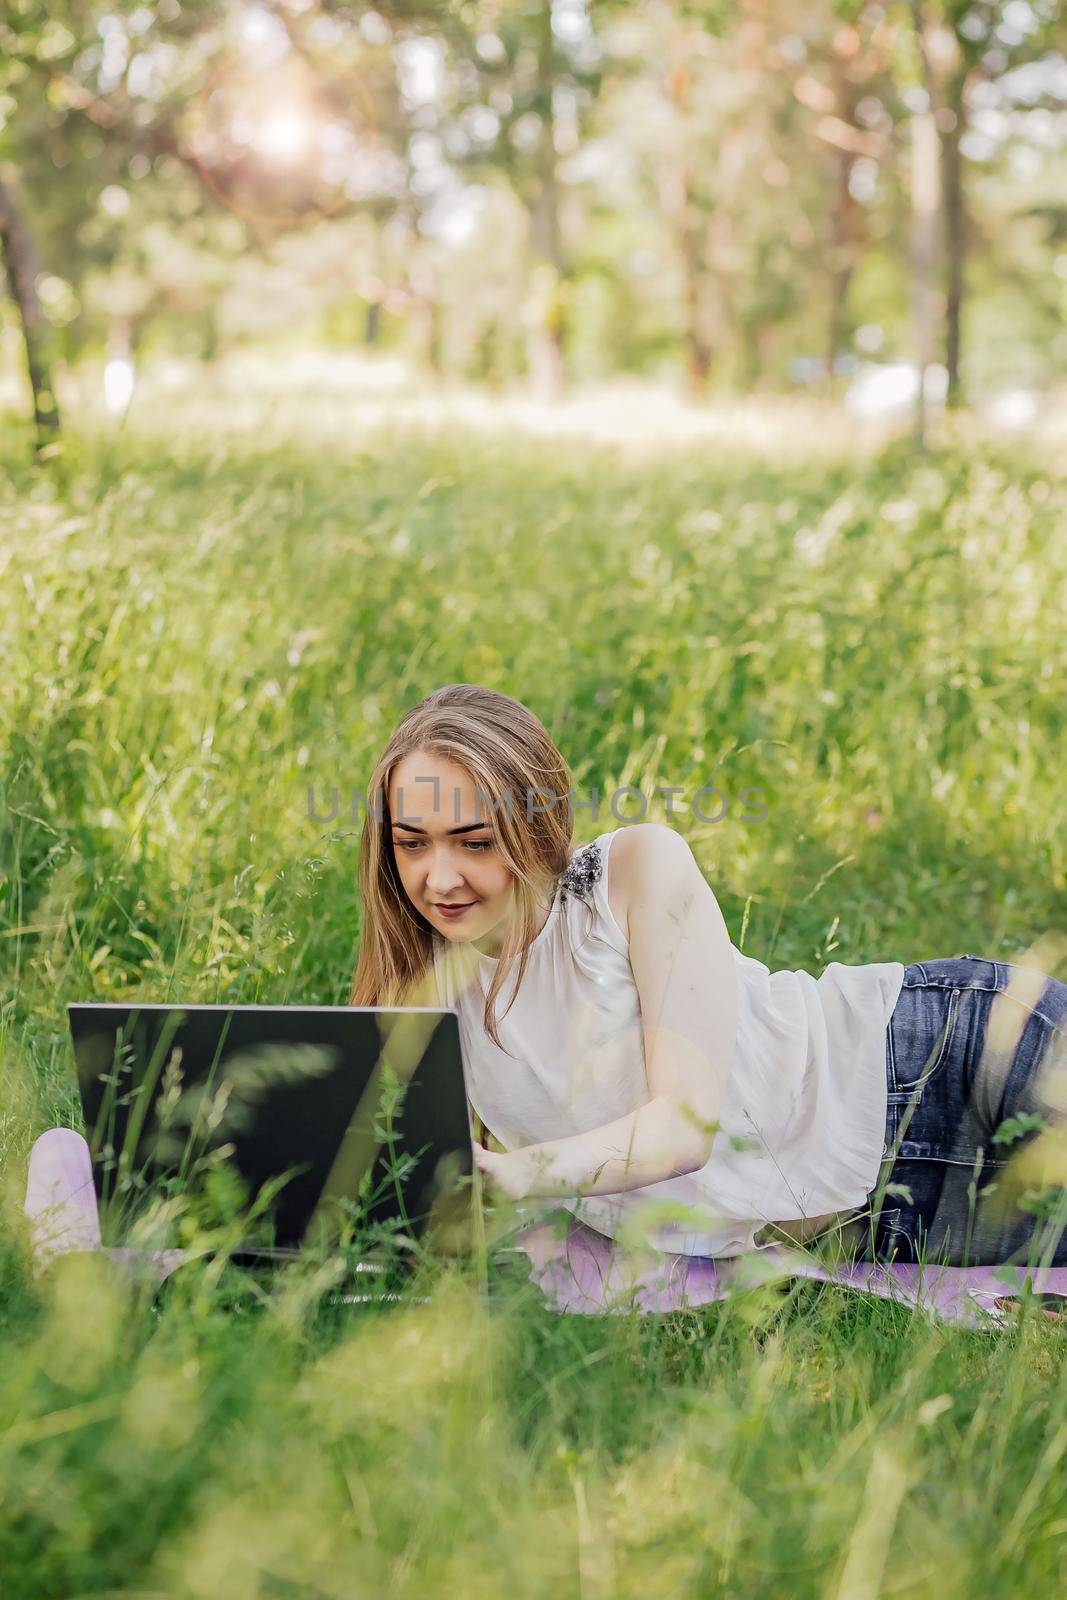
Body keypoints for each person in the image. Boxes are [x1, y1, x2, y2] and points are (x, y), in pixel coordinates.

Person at [349, 683, 1067, 1271]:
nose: (438, 877)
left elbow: (681, 1127)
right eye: (411, 843)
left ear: (537, 831)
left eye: (474, 842)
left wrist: (511, 1176)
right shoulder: (421, 985)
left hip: (943, 1059)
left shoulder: (630, 874)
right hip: (874, 1222)